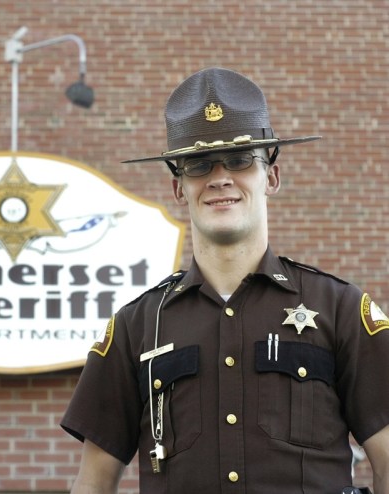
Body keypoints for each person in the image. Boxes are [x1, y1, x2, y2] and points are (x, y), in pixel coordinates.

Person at [61, 67, 389, 493]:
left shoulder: (342, 311)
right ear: (179, 189)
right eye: (198, 164)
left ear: (270, 176)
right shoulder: (135, 327)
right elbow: (93, 485)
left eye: (239, 159)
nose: (220, 178)